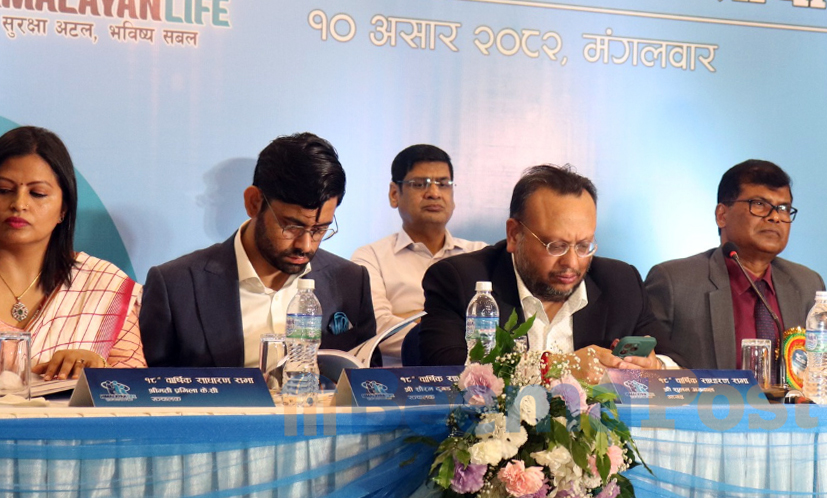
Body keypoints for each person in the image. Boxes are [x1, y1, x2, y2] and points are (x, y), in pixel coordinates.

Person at [140, 132, 377, 368]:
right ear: (254, 202)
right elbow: (148, 386)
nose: (305, 246)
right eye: (291, 227)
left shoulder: (350, 282)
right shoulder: (176, 286)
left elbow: (371, 383)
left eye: (319, 229)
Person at [419, 164, 686, 371]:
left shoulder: (621, 283)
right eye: (556, 246)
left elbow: (678, 365)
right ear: (514, 235)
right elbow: (446, 372)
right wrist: (560, 368)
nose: (572, 263)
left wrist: (655, 366)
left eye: (584, 246)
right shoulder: (460, 280)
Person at [645, 160, 824, 372]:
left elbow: (822, 371)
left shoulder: (807, 285)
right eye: (759, 204)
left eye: (783, 208)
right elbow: (646, 369)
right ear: (722, 215)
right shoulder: (674, 283)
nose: (775, 217)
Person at [0, 126, 145, 380]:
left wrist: (97, 369)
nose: (19, 204)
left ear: (63, 209)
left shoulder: (102, 285)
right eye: (3, 190)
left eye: (37, 193)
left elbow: (136, 386)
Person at [351, 145, 485, 366]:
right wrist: (451, 329)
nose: (434, 193)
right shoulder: (370, 257)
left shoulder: (478, 254)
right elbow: (377, 328)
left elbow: (497, 326)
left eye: (443, 184)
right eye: (419, 184)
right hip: (395, 382)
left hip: (470, 381)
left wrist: (414, 320)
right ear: (394, 194)